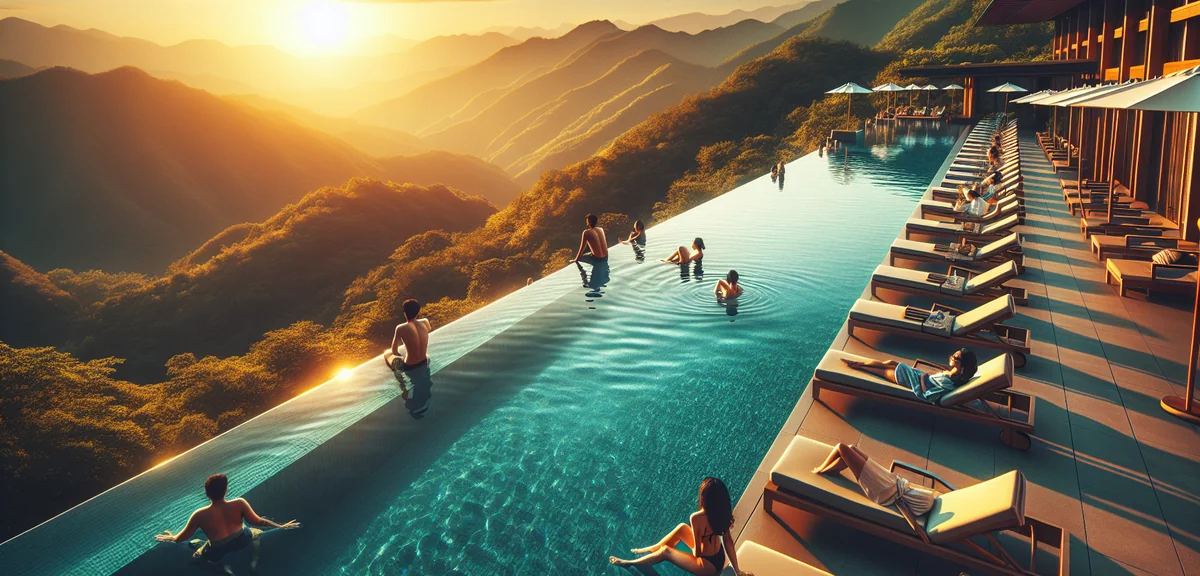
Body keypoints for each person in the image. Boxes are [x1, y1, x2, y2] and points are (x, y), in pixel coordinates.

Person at [154, 474, 300, 573]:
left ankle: (223, 569)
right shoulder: (239, 503)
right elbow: (258, 521)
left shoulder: (199, 515)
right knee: (256, 533)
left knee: (196, 558)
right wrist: (281, 526)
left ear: (207, 494)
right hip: (242, 539)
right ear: (225, 490)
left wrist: (171, 537)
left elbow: (182, 538)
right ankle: (254, 561)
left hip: (218, 549)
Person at [609, 478, 751, 576]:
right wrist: (738, 571)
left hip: (707, 566)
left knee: (666, 552)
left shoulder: (696, 518)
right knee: (682, 527)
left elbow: (698, 554)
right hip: (719, 558)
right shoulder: (722, 512)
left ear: (704, 497)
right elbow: (728, 544)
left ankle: (629, 563)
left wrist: (689, 550)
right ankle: (651, 549)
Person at [811, 443, 938, 532]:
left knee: (841, 447)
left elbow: (912, 522)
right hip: (886, 479)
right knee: (850, 449)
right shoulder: (908, 494)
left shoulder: (902, 501)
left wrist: (923, 536)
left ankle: (821, 470)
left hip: (881, 486)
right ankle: (828, 470)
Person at [840, 348, 977, 404]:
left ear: (962, 366)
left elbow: (929, 395)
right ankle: (859, 363)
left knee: (879, 371)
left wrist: (923, 377)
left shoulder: (950, 383)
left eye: (956, 358)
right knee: (890, 363)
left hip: (912, 381)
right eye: (954, 354)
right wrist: (923, 376)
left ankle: (859, 366)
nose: (952, 357)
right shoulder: (953, 374)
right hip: (915, 375)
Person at [387, 299, 431, 371]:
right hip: (424, 361)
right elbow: (427, 330)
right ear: (418, 312)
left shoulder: (400, 328)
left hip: (410, 365)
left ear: (405, 313)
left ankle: (401, 381)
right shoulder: (425, 322)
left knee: (387, 354)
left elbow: (394, 351)